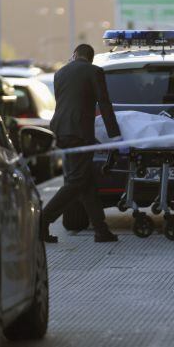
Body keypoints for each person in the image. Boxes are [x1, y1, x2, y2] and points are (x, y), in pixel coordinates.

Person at [41, 44, 122, 243]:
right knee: (76, 181)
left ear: (75, 55)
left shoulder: (60, 72)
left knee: (86, 182)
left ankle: (101, 230)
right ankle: (41, 221)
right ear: (90, 58)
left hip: (61, 130)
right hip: (78, 133)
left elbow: (66, 102)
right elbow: (103, 102)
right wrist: (115, 135)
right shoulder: (94, 71)